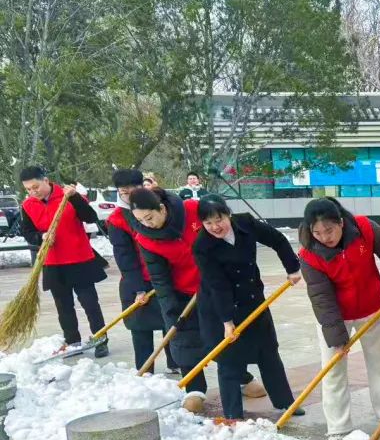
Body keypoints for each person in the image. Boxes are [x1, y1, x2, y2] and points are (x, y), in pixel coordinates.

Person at [128, 187, 266, 399]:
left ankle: (241, 377)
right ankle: (194, 390)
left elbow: (223, 232)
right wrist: (171, 310)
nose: (147, 224)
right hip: (184, 291)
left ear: (162, 208)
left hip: (219, 286)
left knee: (227, 334)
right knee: (186, 339)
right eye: (140, 220)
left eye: (149, 218)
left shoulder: (193, 210)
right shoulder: (146, 240)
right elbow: (160, 278)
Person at [298, 197, 380, 438]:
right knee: (333, 370)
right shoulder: (309, 255)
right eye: (317, 233)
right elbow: (321, 298)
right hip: (334, 316)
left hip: (371, 307)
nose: (324, 237)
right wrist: (337, 339)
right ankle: (338, 427)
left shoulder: (364, 228)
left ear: (340, 222)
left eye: (329, 230)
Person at [193, 196, 303, 421]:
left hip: (252, 299)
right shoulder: (202, 246)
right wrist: (227, 322)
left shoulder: (246, 223)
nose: (215, 227)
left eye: (219, 220)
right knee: (229, 360)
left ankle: (285, 403)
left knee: (268, 352)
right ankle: (233, 414)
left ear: (228, 214)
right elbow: (218, 285)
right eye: (208, 223)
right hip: (219, 307)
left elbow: (278, 239)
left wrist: (292, 268)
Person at [18, 166, 109, 357]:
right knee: (64, 307)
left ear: (46, 180)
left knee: (90, 303)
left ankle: (100, 339)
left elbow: (90, 217)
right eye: (28, 189)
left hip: (79, 258)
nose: (33, 192)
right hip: (53, 262)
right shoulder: (27, 205)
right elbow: (27, 232)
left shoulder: (68, 195)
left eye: (36, 187)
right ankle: (73, 342)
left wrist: (75, 198)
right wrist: (41, 237)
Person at [109, 169, 179, 373]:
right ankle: (145, 370)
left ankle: (175, 362)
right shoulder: (117, 219)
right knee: (140, 327)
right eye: (123, 192)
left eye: (133, 190)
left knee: (171, 322)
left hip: (166, 277)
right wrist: (138, 288)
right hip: (138, 281)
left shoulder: (159, 206)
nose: (129, 196)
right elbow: (125, 258)